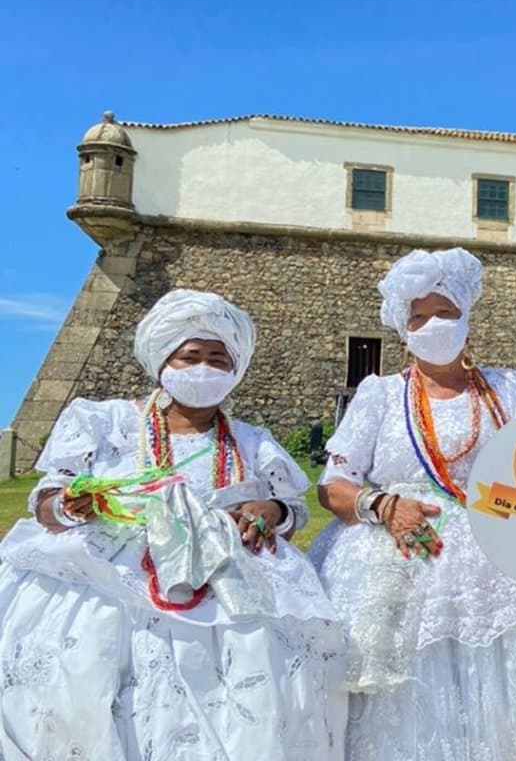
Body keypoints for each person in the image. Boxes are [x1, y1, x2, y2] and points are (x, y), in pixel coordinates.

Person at [0, 289, 347, 758]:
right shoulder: (108, 423)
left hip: (228, 580)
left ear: (234, 371)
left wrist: (272, 513)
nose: (204, 368)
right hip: (116, 575)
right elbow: (45, 500)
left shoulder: (251, 442)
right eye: (191, 356)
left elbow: (293, 509)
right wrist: (69, 505)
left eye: (217, 359)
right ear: (163, 359)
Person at [310, 247, 516, 760]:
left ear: (467, 316)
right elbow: (334, 484)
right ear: (403, 327)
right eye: (419, 316)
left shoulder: (506, 390)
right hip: (398, 563)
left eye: (445, 312)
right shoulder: (380, 395)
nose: (434, 325)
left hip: (496, 564)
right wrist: (382, 506)